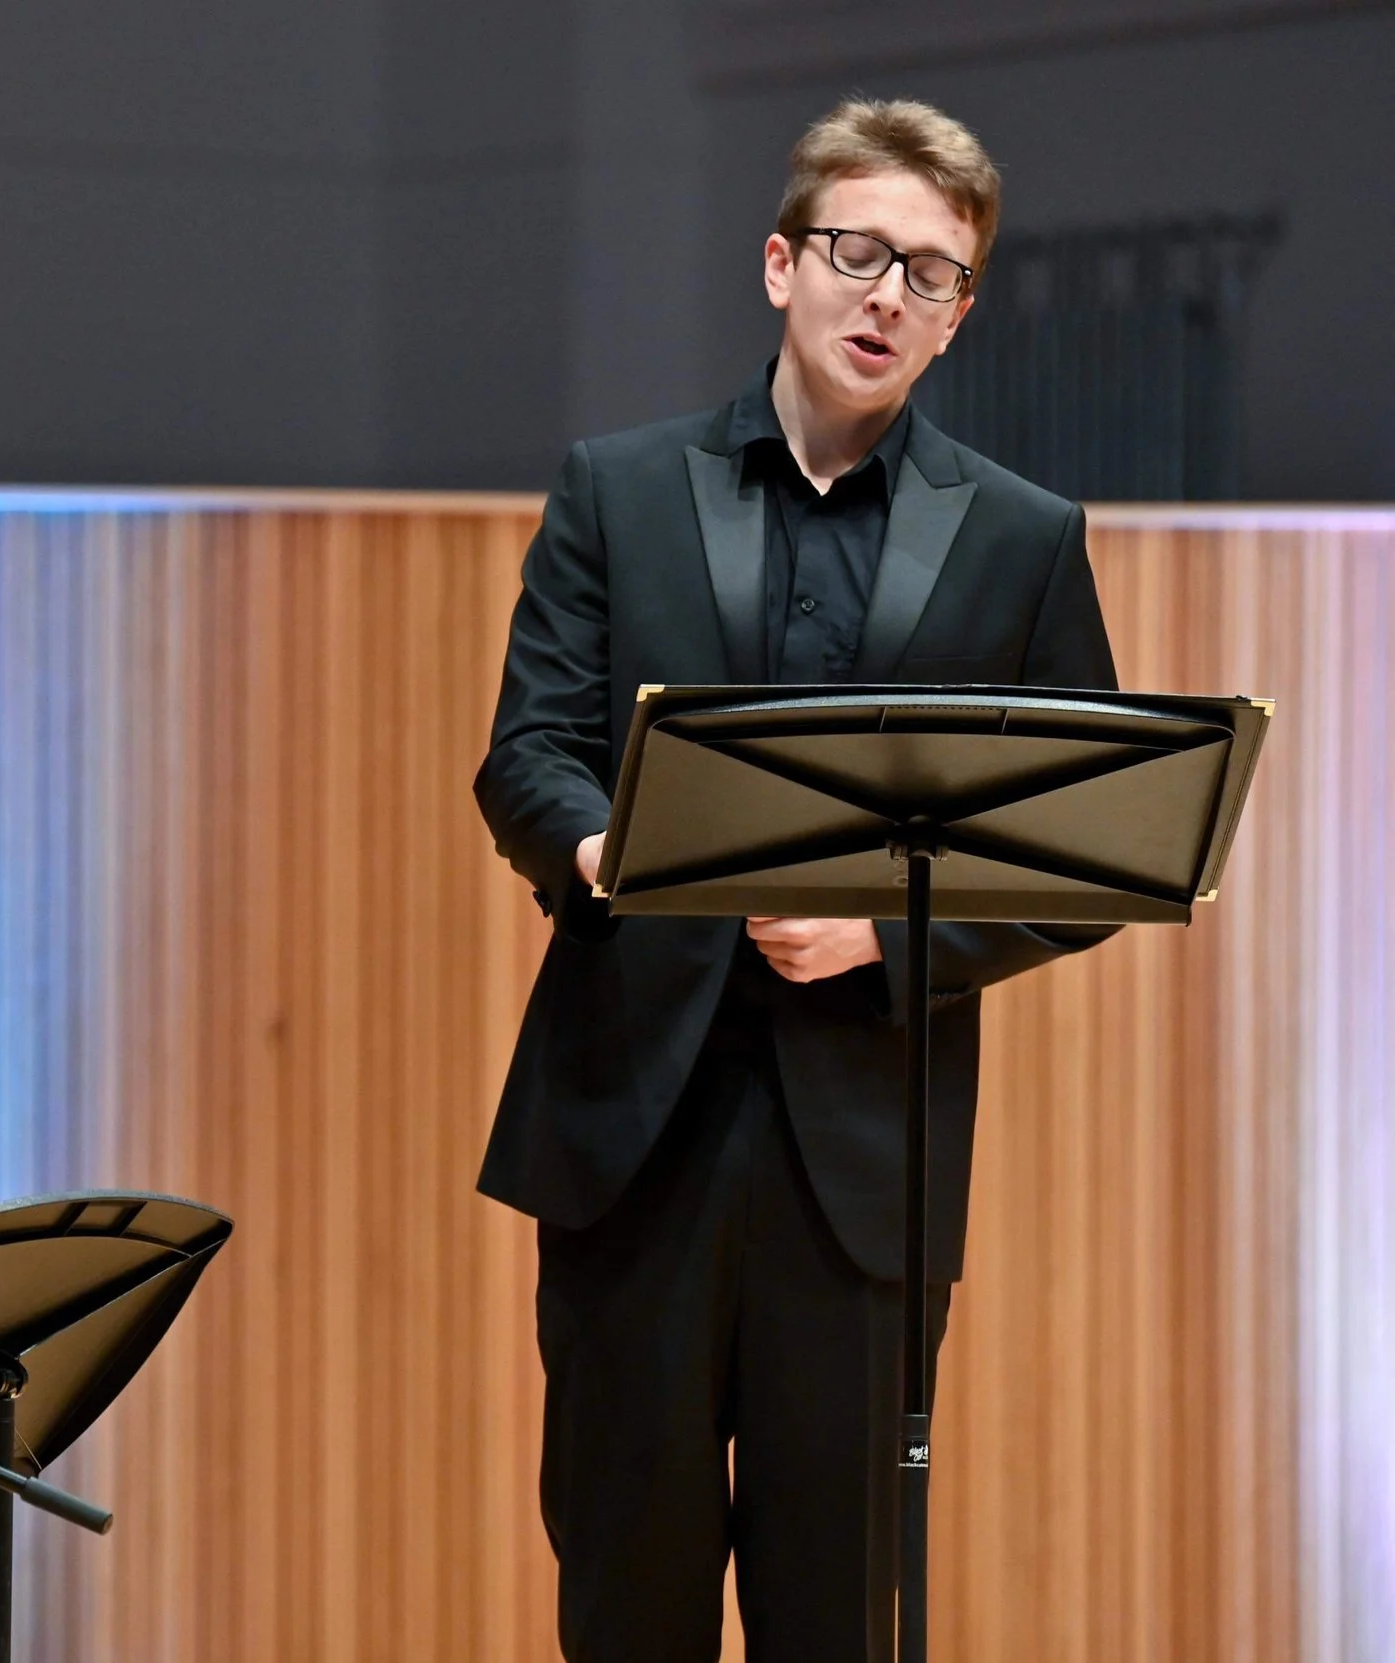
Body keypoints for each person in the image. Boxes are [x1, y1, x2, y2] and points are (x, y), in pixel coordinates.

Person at [475, 100, 1121, 1661]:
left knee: (837, 1609)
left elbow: (1080, 848)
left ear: (961, 313)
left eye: (935, 274)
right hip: (636, 1132)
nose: (890, 294)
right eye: (860, 253)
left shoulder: (1023, 538)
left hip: (867, 1163)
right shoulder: (618, 487)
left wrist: (888, 933)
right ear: (783, 264)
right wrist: (609, 850)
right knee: (628, 1595)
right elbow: (529, 751)